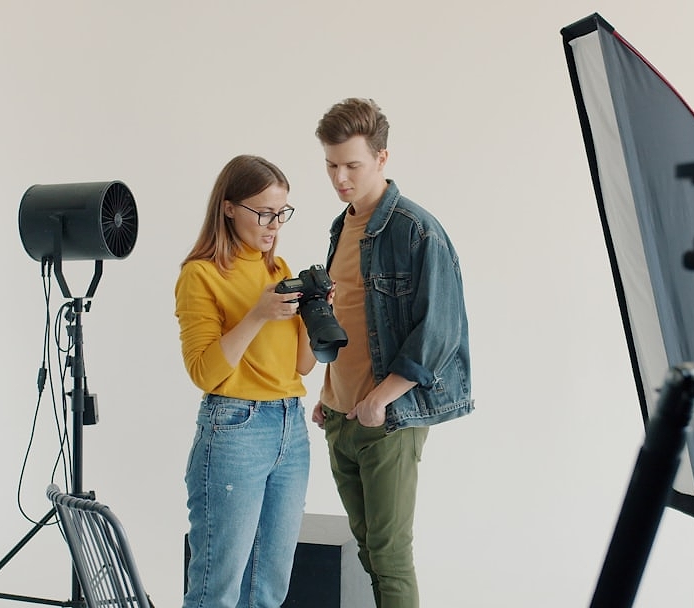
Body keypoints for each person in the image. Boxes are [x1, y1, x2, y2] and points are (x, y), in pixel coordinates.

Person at [311, 98, 474, 608]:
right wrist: (327, 392)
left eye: (352, 165)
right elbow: (348, 319)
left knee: (390, 555)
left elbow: (441, 330)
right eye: (331, 165)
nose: (340, 178)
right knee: (367, 552)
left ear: (382, 159)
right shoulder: (341, 227)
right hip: (340, 414)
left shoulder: (416, 230)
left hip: (388, 417)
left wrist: (382, 397)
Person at [175, 154, 315, 608]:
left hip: (290, 429)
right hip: (234, 429)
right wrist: (257, 314)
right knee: (217, 587)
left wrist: (316, 312)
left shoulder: (279, 270)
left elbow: (302, 366)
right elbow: (204, 371)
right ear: (229, 208)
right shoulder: (200, 274)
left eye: (282, 212)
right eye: (265, 212)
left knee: (268, 589)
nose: (274, 225)